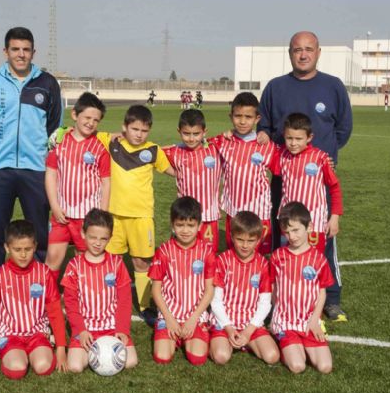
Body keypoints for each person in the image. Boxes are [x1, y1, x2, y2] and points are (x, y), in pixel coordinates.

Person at [257, 31, 352, 322]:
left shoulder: (333, 86)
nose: (303, 54)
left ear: (318, 52)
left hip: (317, 181)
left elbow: (343, 129)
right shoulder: (275, 87)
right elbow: (265, 129)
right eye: (297, 49)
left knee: (323, 238)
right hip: (283, 180)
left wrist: (324, 156)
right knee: (283, 236)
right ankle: (278, 294)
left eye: (308, 49)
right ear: (290, 53)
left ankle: (331, 299)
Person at [0, 27, 62, 318]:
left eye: (26, 49)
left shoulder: (47, 83)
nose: (20, 54)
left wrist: (36, 150)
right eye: (15, 49)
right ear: (6, 51)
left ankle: (37, 297)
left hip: (36, 170)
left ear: (33, 52)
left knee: (39, 237)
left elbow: (54, 123)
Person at [96, 105, 175, 324]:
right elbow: (88, 132)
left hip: (141, 217)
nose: (139, 134)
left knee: (142, 262)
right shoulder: (110, 142)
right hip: (114, 217)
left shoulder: (154, 151)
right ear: (125, 127)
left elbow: (174, 171)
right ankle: (105, 302)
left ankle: (144, 305)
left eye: (144, 130)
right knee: (110, 261)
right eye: (134, 129)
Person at [0, 220, 67, 379]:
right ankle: (15, 352)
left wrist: (61, 348)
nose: (23, 254)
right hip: (9, 334)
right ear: (7, 248)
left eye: (28, 249)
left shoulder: (44, 274)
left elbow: (55, 311)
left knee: (43, 367)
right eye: (17, 249)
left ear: (35, 246)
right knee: (17, 369)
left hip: (37, 333)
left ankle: (43, 346)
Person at [61, 209, 138, 372]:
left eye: (103, 239)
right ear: (83, 234)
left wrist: (122, 330)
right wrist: (80, 330)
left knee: (130, 362)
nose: (97, 243)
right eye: (93, 237)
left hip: (111, 326)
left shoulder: (117, 263)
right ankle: (96, 350)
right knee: (75, 366)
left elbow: (125, 300)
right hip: (86, 328)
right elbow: (70, 302)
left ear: (110, 238)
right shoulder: (74, 266)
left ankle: (101, 350)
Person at [44, 92, 110, 278]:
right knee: (53, 258)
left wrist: (102, 215)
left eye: (96, 120)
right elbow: (51, 175)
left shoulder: (99, 148)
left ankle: (83, 300)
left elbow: (106, 183)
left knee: (85, 259)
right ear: (75, 115)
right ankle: (49, 302)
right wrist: (55, 207)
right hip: (61, 215)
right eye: (87, 117)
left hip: (87, 218)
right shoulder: (59, 143)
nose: (91, 123)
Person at [149, 196, 216, 366]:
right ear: (172, 225)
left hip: (195, 315)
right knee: (162, 357)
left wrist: (193, 318)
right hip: (169, 314)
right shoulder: (163, 251)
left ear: (199, 226)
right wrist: (169, 319)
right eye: (180, 225)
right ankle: (169, 334)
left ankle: (191, 336)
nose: (185, 230)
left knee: (197, 358)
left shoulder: (206, 252)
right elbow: (156, 290)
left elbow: (209, 290)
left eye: (190, 225)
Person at [211, 92, 279, 256]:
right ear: (231, 116)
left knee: (259, 256)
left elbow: (286, 166)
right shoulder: (222, 141)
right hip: (234, 210)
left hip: (259, 211)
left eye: (248, 117)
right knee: (234, 253)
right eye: (238, 116)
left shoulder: (266, 145)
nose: (242, 121)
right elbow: (197, 144)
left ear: (257, 119)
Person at [270, 202, 334, 374]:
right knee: (298, 366)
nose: (292, 236)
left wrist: (315, 320)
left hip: (309, 321)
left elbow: (322, 292)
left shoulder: (319, 259)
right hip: (285, 322)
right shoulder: (278, 256)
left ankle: (301, 343)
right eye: (287, 232)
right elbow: (272, 286)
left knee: (325, 367)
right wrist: (279, 311)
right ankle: (286, 342)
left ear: (309, 227)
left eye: (296, 230)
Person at [209, 211, 280, 366]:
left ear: (258, 240)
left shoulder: (263, 264)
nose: (245, 245)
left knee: (272, 356)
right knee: (221, 357)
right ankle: (226, 340)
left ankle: (246, 341)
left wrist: (248, 331)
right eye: (240, 239)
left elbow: (265, 303)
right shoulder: (222, 261)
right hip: (224, 322)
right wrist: (228, 328)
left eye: (250, 240)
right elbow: (215, 301)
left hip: (250, 323)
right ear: (232, 237)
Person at [275, 113, 343, 254]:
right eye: (289, 138)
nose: (293, 143)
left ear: (309, 138)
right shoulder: (281, 155)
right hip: (288, 223)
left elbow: (335, 188)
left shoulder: (320, 158)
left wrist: (335, 217)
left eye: (298, 139)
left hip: (314, 223)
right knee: (288, 262)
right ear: (284, 136)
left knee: (311, 264)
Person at [163, 109, 222, 249]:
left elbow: (230, 138)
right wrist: (176, 173)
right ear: (179, 131)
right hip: (184, 217)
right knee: (183, 252)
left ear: (204, 131)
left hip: (209, 216)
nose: (191, 138)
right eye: (186, 133)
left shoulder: (215, 149)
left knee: (209, 255)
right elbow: (154, 154)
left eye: (196, 134)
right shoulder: (175, 152)